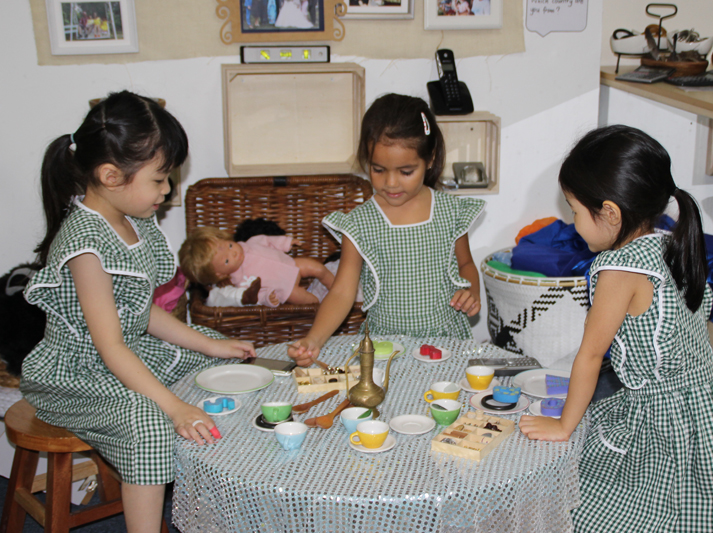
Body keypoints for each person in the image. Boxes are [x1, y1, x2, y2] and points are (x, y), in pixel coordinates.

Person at [21, 91, 256, 533]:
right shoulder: (85, 244)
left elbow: (141, 313)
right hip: (76, 376)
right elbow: (109, 347)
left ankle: (222, 497)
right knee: (149, 420)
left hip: (123, 355)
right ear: (111, 176)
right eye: (160, 179)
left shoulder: (134, 219)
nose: (167, 191)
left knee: (212, 368)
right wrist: (174, 408)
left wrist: (210, 343)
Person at [519, 125, 713, 532]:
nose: (572, 223)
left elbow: (590, 356)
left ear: (609, 213)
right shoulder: (666, 241)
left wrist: (563, 425)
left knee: (579, 497)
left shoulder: (618, 271)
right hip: (705, 412)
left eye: (573, 210)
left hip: (665, 430)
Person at [288, 94, 484, 366]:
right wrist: (314, 339)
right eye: (378, 170)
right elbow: (343, 292)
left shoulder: (451, 212)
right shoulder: (359, 223)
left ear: (430, 159)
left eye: (406, 171)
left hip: (446, 343)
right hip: (384, 347)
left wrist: (471, 291)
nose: (391, 183)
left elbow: (466, 264)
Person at [179, 227, 334, 306]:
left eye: (230, 245)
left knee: (318, 268)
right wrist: (268, 299)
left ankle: (337, 288)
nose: (233, 253)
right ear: (220, 274)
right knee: (310, 302)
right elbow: (257, 296)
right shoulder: (241, 281)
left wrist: (287, 242)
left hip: (292, 264)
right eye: (226, 261)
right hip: (285, 289)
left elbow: (270, 240)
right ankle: (327, 306)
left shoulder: (252, 242)